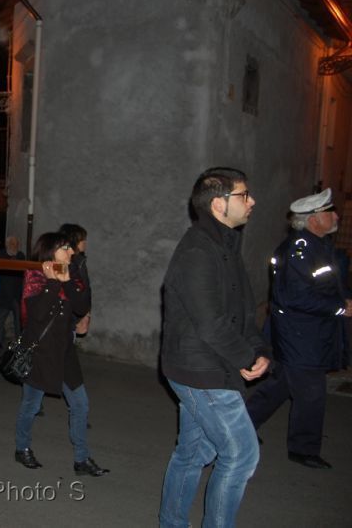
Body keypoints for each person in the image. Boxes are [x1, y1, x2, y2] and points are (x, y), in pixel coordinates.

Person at [159, 167, 271, 528]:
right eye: (243, 195)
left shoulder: (225, 245)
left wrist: (257, 349)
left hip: (210, 364)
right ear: (218, 203)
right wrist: (244, 356)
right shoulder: (197, 250)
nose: (251, 201)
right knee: (241, 455)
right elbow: (211, 323)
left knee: (193, 453)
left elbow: (242, 310)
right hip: (201, 370)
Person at [246, 188, 350, 469]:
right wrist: (339, 307)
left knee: (280, 386)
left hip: (305, 334)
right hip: (300, 336)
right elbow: (295, 297)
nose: (336, 216)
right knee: (311, 393)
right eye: (329, 212)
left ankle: (242, 426)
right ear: (313, 219)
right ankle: (303, 448)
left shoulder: (317, 245)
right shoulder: (300, 250)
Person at [13, 232, 108, 477]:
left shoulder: (70, 273)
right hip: (40, 353)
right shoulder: (34, 276)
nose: (72, 252)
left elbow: (80, 306)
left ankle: (82, 459)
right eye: (65, 248)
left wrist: (66, 281)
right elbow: (36, 315)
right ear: (49, 251)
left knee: (80, 404)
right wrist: (53, 282)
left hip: (64, 352)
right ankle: (22, 447)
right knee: (31, 405)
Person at [0, 235, 25, 360]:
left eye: (16, 244)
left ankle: (19, 348)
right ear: (7, 245)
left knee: (19, 323)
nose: (14, 246)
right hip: (3, 295)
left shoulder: (21, 255)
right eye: (11, 243)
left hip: (17, 295)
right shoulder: (0, 255)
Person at [58, 224, 92, 336]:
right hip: (66, 318)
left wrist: (86, 313)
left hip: (75, 314)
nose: (85, 243)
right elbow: (70, 291)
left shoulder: (78, 260)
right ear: (74, 240)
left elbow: (84, 288)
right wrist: (79, 318)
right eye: (83, 240)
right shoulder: (68, 262)